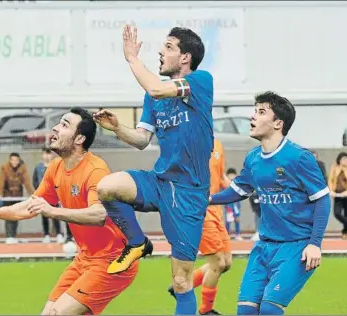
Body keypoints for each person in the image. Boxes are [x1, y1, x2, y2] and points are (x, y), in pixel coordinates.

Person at [0, 107, 138, 315]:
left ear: (79, 139)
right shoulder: (56, 167)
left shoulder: (96, 170)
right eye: (59, 123)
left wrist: (53, 211)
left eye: (65, 125)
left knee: (57, 314)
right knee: (48, 313)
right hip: (85, 258)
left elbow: (99, 215)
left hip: (113, 260)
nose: (55, 128)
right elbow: (33, 204)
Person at [94, 25, 213, 314]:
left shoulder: (200, 81)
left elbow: (156, 87)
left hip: (188, 193)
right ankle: (137, 243)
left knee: (182, 280)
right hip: (159, 181)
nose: (161, 51)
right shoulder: (154, 98)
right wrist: (118, 128)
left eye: (169, 47)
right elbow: (141, 140)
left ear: (185, 57)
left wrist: (132, 59)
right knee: (107, 187)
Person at [209, 91, 331, 315]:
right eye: (255, 111)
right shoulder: (253, 158)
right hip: (264, 248)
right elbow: (238, 190)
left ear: (278, 123)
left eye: (261, 112)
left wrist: (315, 243)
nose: (253, 117)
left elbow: (322, 199)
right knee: (245, 311)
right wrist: (208, 199)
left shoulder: (299, 157)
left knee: (268, 310)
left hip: (297, 248)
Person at [168, 139, 232, 315]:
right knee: (217, 264)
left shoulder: (218, 144)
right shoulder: (185, 145)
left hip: (216, 210)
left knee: (226, 263)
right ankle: (205, 311)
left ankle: (178, 287)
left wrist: (239, 189)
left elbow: (220, 177)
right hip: (198, 211)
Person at [0, 152, 35, 244]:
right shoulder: (4, 167)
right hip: (7, 194)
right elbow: (1, 180)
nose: (14, 162)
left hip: (17, 195)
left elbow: (27, 182)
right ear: (10, 160)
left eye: (16, 160)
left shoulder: (22, 168)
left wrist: (33, 194)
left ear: (19, 160)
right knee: (8, 215)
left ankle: (13, 235)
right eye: (13, 160)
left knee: (16, 216)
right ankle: (9, 236)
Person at [33, 147, 64, 244]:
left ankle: (59, 234)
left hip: (54, 195)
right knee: (44, 216)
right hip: (43, 196)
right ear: (42, 155)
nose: (47, 156)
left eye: (49, 154)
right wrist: (38, 192)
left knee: (55, 215)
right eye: (45, 154)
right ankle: (46, 235)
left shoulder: (56, 166)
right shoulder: (38, 167)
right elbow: (35, 180)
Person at [328, 152, 347, 239]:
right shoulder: (334, 168)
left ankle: (344, 232)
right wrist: (331, 190)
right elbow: (330, 180)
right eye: (344, 159)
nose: (346, 160)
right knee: (337, 213)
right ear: (339, 160)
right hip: (337, 194)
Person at [224, 168, 243, 241]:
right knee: (228, 220)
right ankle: (226, 234)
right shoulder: (226, 184)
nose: (232, 176)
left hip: (236, 205)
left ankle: (237, 234)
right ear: (227, 175)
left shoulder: (237, 183)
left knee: (237, 220)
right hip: (229, 205)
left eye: (233, 174)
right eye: (230, 174)